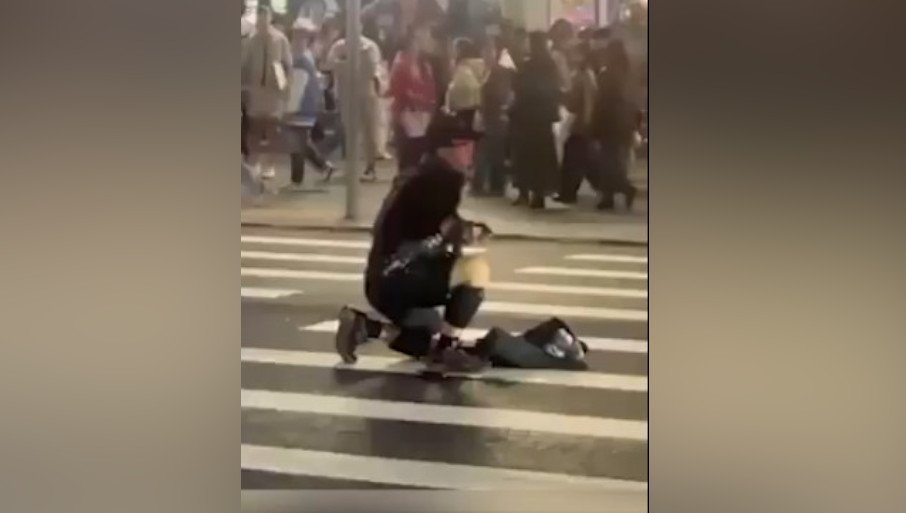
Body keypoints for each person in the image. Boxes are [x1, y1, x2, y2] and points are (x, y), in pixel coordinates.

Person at [335, 115, 493, 373]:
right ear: (444, 149)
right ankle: (446, 350)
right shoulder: (442, 180)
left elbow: (421, 222)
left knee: (428, 333)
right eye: (464, 145)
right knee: (476, 269)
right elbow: (441, 226)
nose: (471, 151)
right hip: (404, 276)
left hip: (381, 281)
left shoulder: (417, 174)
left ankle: (366, 327)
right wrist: (467, 232)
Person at [509, 31, 561, 209]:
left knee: (525, 156)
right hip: (543, 118)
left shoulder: (528, 66)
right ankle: (538, 194)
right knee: (541, 157)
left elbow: (519, 87)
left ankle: (524, 192)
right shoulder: (550, 65)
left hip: (527, 117)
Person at [324, 25, 384, 180]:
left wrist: (346, 64)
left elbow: (372, 69)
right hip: (345, 94)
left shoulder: (369, 47)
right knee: (350, 132)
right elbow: (330, 64)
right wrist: (350, 64)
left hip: (366, 94)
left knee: (369, 132)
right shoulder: (339, 46)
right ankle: (351, 168)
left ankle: (370, 168)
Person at [241, 6, 293, 181]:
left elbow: (287, 65)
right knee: (255, 127)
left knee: (271, 127)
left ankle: (269, 164)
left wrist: (286, 87)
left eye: (265, 18)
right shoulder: (251, 40)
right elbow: (244, 64)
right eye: (259, 18)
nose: (262, 22)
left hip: (274, 89)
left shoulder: (280, 39)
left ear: (270, 18)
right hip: (256, 89)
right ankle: (255, 161)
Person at [286, 18, 336, 190]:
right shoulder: (305, 57)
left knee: (296, 143)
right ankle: (324, 167)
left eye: (299, 38)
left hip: (300, 107)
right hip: (306, 107)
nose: (295, 41)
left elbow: (297, 87)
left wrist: (289, 109)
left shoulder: (300, 60)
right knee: (301, 142)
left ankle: (297, 180)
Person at [591, 39, 639, 211]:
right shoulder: (629, 75)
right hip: (625, 123)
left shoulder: (606, 75)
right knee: (617, 160)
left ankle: (623, 189)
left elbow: (601, 102)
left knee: (608, 161)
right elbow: (634, 101)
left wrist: (595, 123)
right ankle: (609, 195)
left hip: (609, 123)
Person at [388, 24, 437, 173]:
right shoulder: (401, 64)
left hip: (423, 117)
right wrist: (416, 100)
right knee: (408, 158)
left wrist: (428, 104)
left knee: (418, 156)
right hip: (407, 116)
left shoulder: (424, 65)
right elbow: (398, 90)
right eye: (421, 37)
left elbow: (430, 88)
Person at [555, 41, 599, 204]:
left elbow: (579, 102)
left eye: (575, 53)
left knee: (573, 160)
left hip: (581, 124)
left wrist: (564, 96)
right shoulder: (587, 74)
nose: (572, 57)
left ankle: (568, 193)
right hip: (584, 123)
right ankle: (615, 187)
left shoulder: (582, 76)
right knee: (585, 161)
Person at [472, 36, 514, 197]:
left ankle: (483, 184)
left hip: (496, 115)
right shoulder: (485, 71)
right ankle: (495, 184)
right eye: (485, 51)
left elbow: (503, 94)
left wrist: (502, 109)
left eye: (490, 50)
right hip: (489, 115)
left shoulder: (500, 72)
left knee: (487, 151)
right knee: (493, 151)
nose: (487, 54)